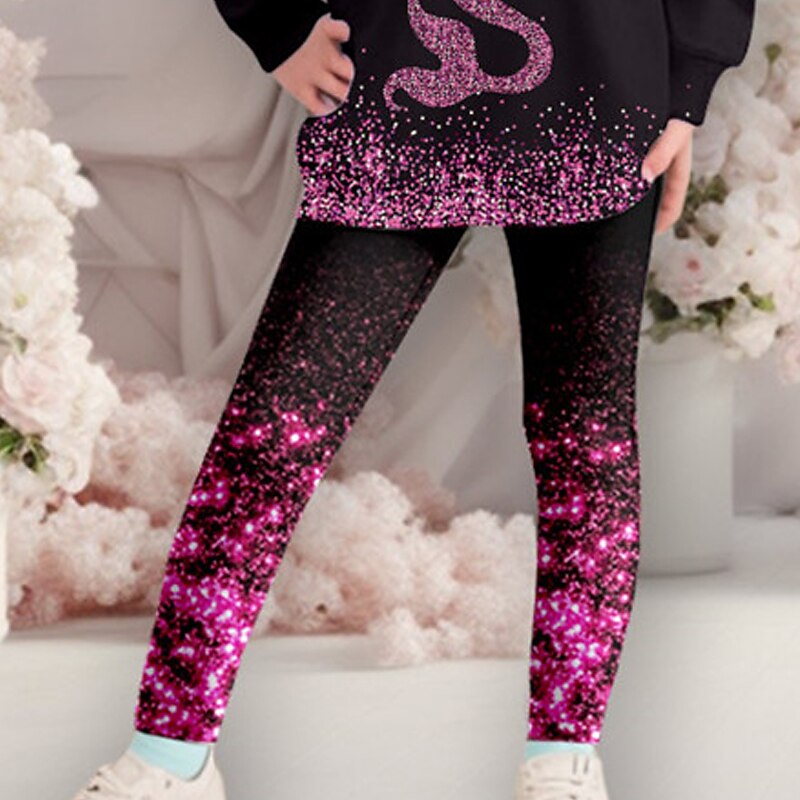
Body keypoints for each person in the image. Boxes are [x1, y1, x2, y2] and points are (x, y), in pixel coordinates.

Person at [70, 1, 755, 798]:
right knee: (273, 431)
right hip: (400, 86)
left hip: (601, 81)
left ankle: (562, 758)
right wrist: (276, 20)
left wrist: (689, 80)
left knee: (583, 438)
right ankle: (168, 754)